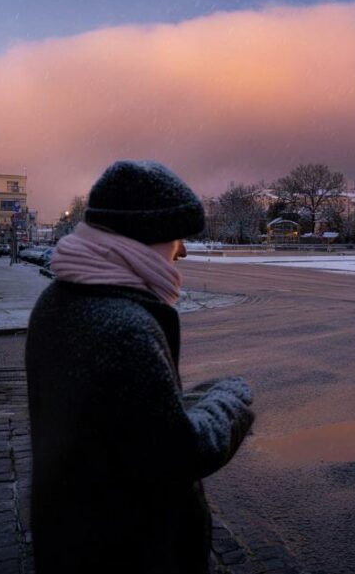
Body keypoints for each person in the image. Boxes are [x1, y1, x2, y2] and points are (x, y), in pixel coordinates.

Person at [25, 160, 256, 574]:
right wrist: (229, 401)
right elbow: (176, 455)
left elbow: (119, 423)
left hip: (73, 538)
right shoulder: (126, 326)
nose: (182, 250)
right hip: (130, 551)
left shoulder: (58, 299)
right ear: (143, 239)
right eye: (176, 237)